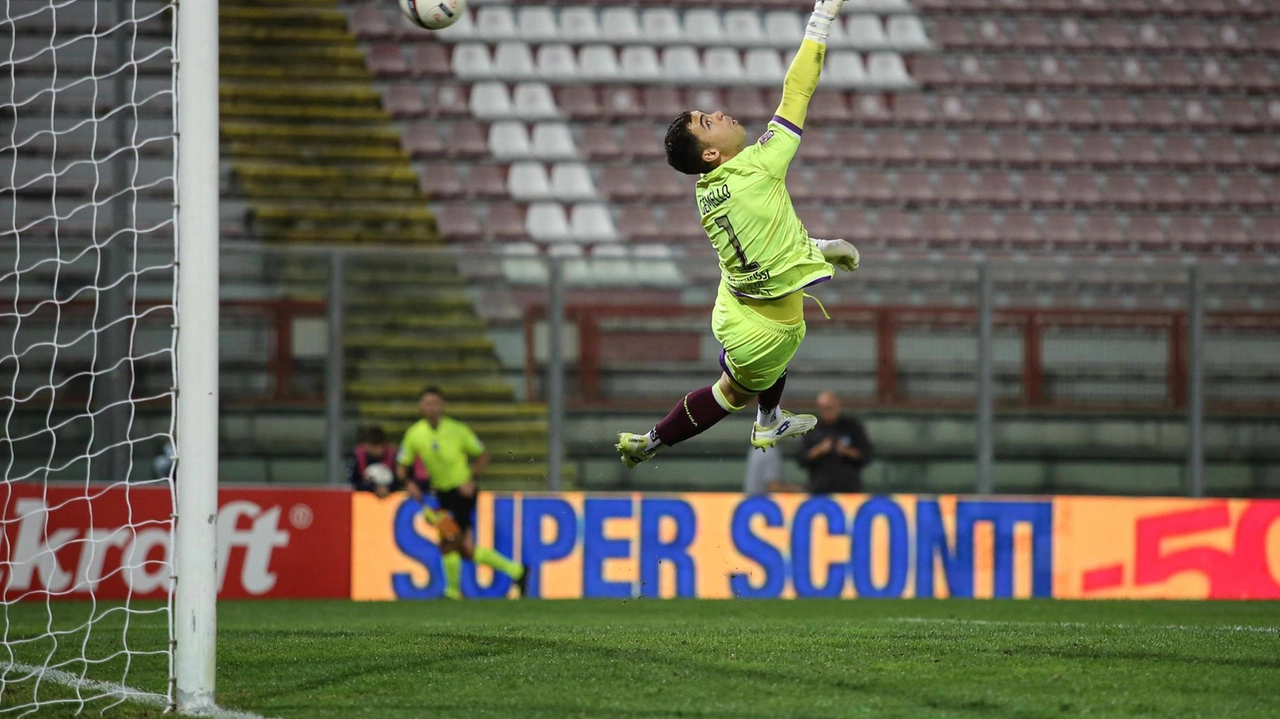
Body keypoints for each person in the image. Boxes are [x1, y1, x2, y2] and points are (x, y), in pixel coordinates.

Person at [615, 0, 860, 468]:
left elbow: (768, 236)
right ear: (710, 155)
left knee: (748, 378)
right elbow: (797, 93)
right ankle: (656, 441)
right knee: (731, 392)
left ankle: (767, 416)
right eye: (709, 122)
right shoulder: (758, 168)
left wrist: (819, 249)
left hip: (735, 299)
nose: (720, 113)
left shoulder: (707, 190)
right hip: (765, 330)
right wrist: (821, 20)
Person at [396, 386, 526, 600]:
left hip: (462, 493)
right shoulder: (414, 433)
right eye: (427, 404)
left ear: (443, 406)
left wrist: (472, 480)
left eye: (435, 403)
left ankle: (452, 593)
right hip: (442, 494)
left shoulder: (457, 429)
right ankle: (517, 571)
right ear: (421, 407)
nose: (432, 408)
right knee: (465, 548)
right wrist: (408, 483)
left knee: (449, 538)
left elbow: (482, 454)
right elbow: (402, 465)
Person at [796, 391, 874, 494]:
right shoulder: (811, 430)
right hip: (819, 490)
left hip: (849, 490)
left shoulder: (852, 427)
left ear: (838, 406)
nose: (828, 411)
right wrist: (819, 450)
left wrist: (846, 451)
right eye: (825, 408)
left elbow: (866, 455)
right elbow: (801, 459)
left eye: (831, 407)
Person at [347, 426, 418, 499]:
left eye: (377, 446)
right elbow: (353, 482)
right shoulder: (358, 457)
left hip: (390, 500)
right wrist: (373, 488)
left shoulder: (393, 457)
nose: (375, 450)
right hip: (363, 500)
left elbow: (400, 481)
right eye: (371, 446)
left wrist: (389, 488)